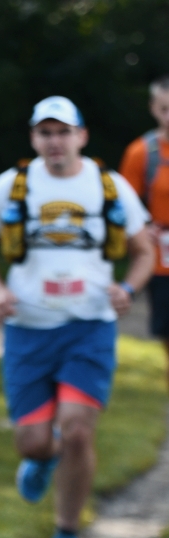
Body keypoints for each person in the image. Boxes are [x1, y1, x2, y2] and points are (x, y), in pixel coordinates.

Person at [0, 96, 153, 538]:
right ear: (33, 138)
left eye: (63, 132)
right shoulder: (12, 186)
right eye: (45, 132)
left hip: (90, 326)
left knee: (78, 429)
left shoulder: (109, 186)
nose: (55, 142)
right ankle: (41, 456)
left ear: (81, 136)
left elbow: (144, 250)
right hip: (28, 329)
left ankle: (66, 535)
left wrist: (128, 288)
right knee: (32, 442)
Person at [119, 75, 169, 391]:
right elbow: (123, 205)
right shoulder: (141, 153)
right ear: (153, 108)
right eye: (165, 109)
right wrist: (143, 228)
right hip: (161, 259)